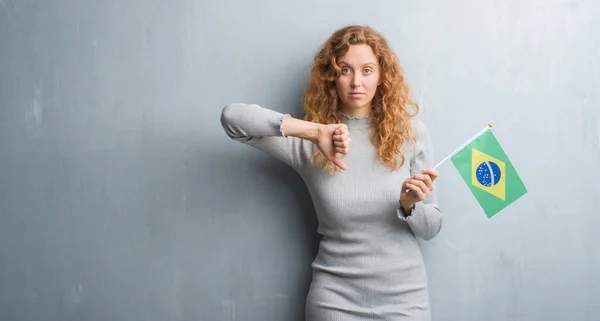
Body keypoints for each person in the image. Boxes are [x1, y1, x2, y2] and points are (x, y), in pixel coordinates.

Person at [220, 25, 442, 321]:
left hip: (405, 301)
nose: (356, 82)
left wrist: (409, 205)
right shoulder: (311, 144)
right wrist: (314, 131)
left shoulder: (410, 134)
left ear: (382, 76)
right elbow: (232, 119)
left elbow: (432, 228)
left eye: (367, 70)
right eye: (345, 70)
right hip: (336, 302)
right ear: (331, 76)